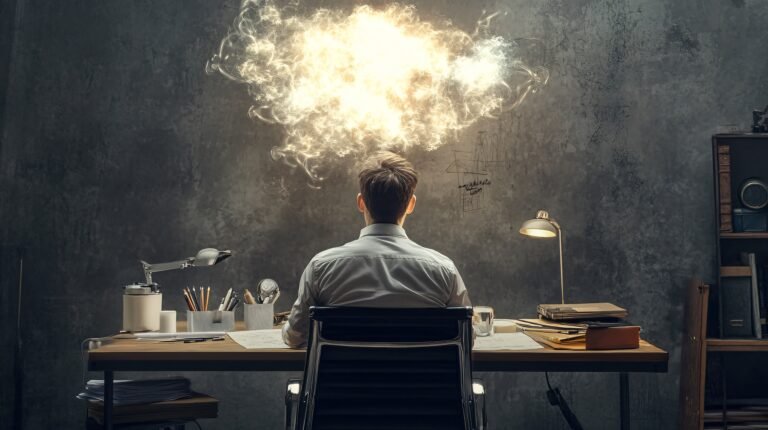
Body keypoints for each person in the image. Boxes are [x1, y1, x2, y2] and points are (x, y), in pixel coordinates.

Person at [282, 151, 472, 347]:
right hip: (417, 378)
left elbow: (296, 337)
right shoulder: (443, 270)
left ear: (361, 202)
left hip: (348, 378)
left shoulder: (321, 268)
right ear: (410, 204)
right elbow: (466, 339)